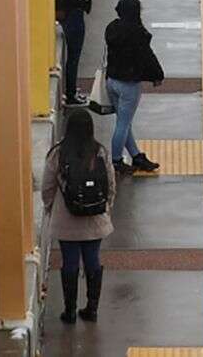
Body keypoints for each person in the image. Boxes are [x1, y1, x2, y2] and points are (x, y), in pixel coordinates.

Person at [41, 108, 115, 324]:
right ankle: (92, 308)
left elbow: (47, 187)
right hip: (94, 218)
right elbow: (110, 183)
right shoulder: (99, 152)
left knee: (70, 262)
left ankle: (70, 311)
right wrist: (106, 206)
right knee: (93, 260)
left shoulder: (58, 154)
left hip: (67, 220)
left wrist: (51, 208)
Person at [104, 0, 164, 175]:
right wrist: (157, 75)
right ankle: (116, 160)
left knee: (125, 122)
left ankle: (136, 155)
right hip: (129, 85)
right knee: (123, 124)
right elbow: (147, 56)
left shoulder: (112, 28)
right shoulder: (137, 33)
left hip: (111, 81)